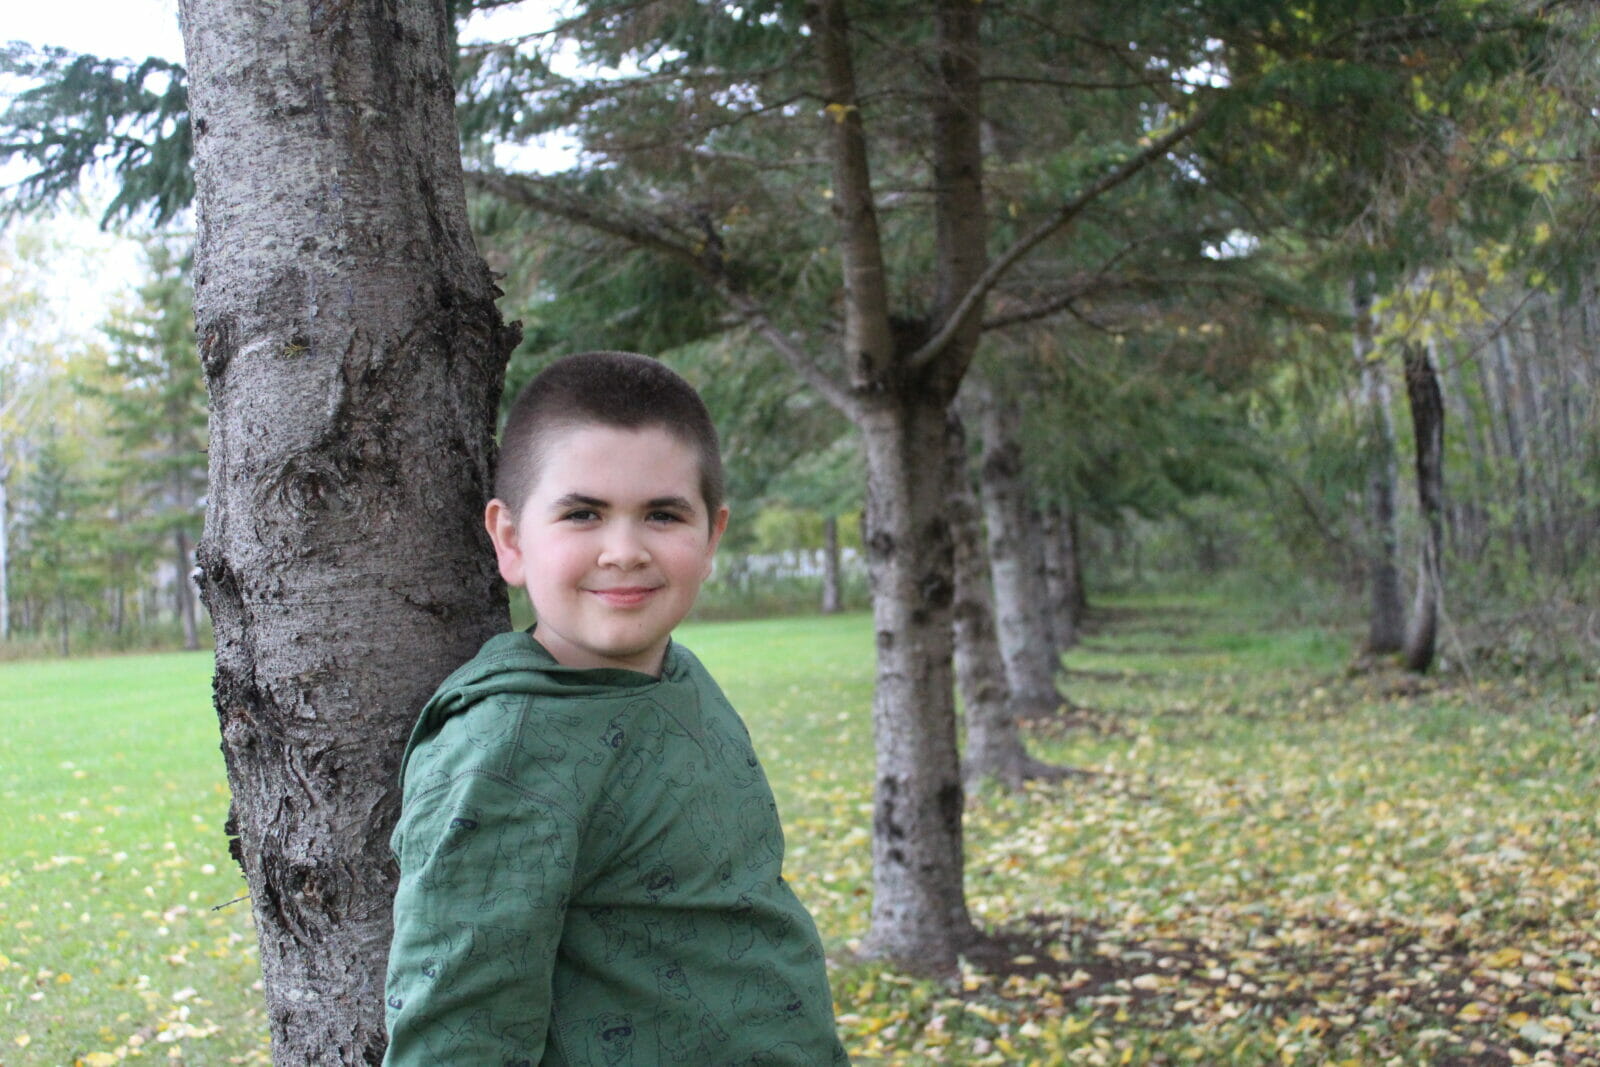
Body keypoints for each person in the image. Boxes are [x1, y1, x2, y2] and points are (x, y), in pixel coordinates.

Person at [383, 351, 850, 1065]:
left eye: (663, 514)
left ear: (712, 535)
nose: (624, 551)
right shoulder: (505, 748)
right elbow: (458, 1036)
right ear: (510, 540)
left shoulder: (681, 673)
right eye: (583, 513)